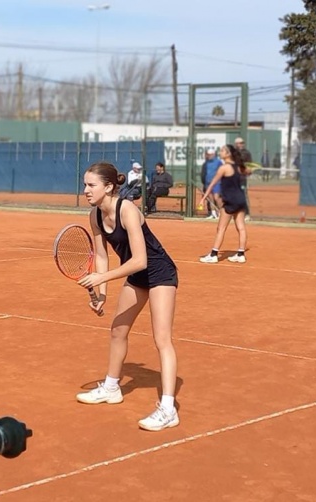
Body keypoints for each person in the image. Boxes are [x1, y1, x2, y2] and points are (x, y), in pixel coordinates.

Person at [76, 161, 181, 432]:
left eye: (91, 185)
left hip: (159, 273)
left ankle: (168, 409)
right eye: (85, 184)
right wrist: (101, 295)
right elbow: (101, 256)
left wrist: (102, 278)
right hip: (136, 276)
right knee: (117, 331)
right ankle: (111, 387)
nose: (86, 190)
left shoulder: (128, 210)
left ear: (109, 187)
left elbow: (140, 260)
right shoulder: (95, 215)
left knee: (162, 339)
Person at [197, 145, 248, 264]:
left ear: (228, 154)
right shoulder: (238, 167)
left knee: (221, 228)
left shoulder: (224, 168)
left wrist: (203, 198)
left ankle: (214, 254)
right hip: (240, 199)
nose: (220, 153)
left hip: (230, 201)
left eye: (223, 151)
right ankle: (241, 254)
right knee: (241, 228)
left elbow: (212, 184)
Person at [200, 148, 222, 219]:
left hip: (217, 183)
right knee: (210, 199)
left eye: (210, 154)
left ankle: (221, 213)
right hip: (208, 183)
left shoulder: (218, 162)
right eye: (208, 154)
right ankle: (213, 214)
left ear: (214, 154)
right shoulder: (206, 163)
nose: (209, 156)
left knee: (216, 198)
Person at [234, 137, 252, 218]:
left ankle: (246, 213)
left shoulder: (246, 153)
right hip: (233, 178)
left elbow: (249, 165)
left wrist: (247, 171)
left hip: (242, 178)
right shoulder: (233, 153)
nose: (240, 145)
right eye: (238, 143)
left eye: (241, 143)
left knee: (243, 195)